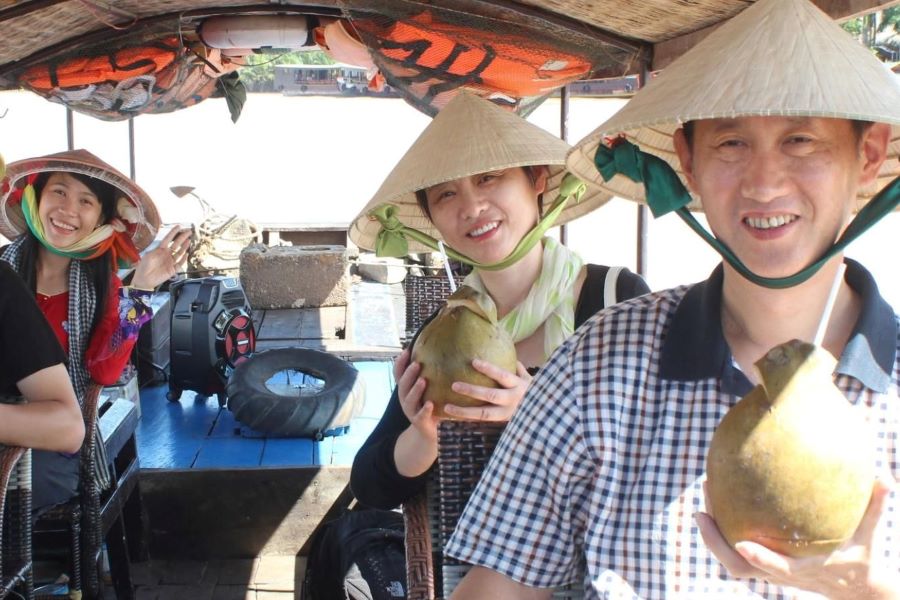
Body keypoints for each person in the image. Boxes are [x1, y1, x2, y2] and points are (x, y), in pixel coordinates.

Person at [446, 0, 900, 597]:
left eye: (801, 141)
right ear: (686, 162)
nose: (764, 184)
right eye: (732, 143)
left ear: (866, 158)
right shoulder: (597, 366)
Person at [347, 92, 649, 510]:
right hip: (475, 569)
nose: (472, 206)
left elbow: (658, 459)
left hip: (598, 563)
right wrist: (425, 435)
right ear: (432, 220)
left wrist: (540, 412)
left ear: (537, 179)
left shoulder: (619, 302)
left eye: (489, 177)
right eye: (446, 195)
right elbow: (370, 485)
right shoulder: (443, 331)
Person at [0, 149, 191, 512]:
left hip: (54, 440)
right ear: (35, 199)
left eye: (85, 201)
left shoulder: (104, 288)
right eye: (58, 192)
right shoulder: (4, 273)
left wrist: (143, 287)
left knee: (22, 484)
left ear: (105, 219)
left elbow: (105, 370)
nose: (68, 210)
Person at [0, 251, 83, 453]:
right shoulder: (11, 260)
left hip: (46, 420)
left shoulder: (101, 285)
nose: (68, 216)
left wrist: (141, 291)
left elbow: (107, 369)